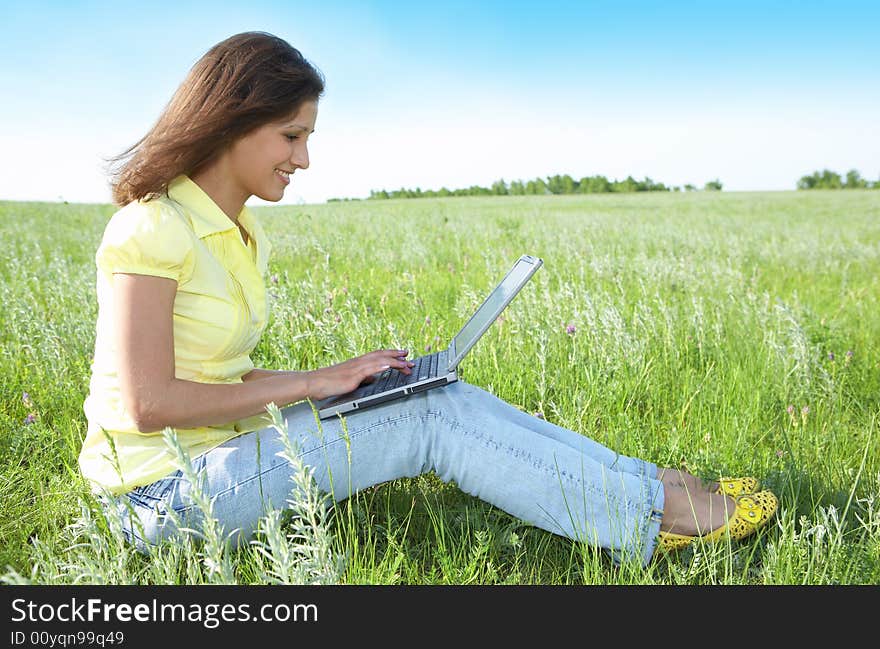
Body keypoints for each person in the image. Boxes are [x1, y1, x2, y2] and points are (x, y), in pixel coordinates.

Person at [79, 31, 777, 568]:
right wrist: (317, 384)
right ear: (234, 121)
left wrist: (343, 375)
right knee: (428, 422)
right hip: (159, 499)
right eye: (292, 135)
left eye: (307, 137)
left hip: (220, 452)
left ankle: (646, 483)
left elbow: (219, 376)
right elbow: (149, 402)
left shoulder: (239, 231)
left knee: (429, 390)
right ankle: (654, 520)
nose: (303, 158)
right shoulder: (150, 227)